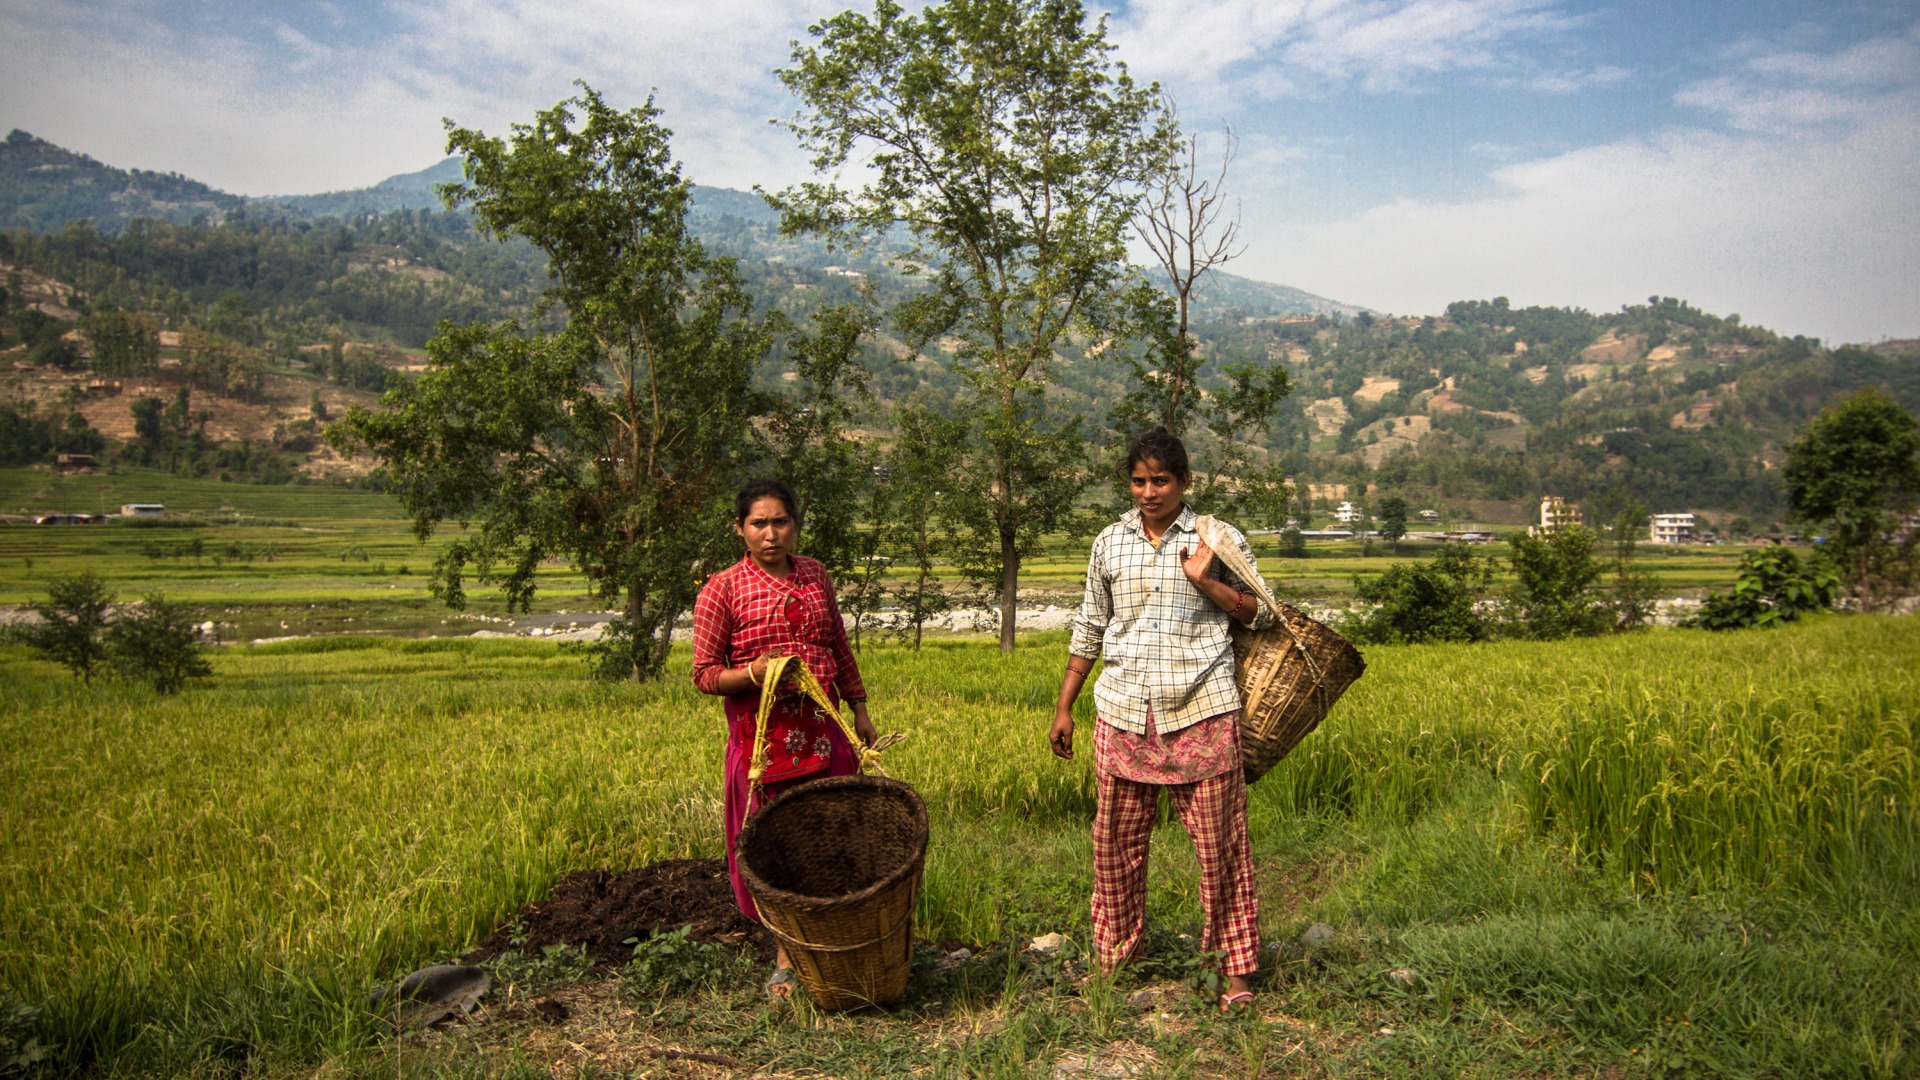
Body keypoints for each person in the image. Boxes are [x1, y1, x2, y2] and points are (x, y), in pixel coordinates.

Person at [1049, 428, 1273, 1013]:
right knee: (1114, 846)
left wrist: (1209, 583)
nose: (1149, 492)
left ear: (1184, 481)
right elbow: (1091, 625)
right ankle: (1114, 957)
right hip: (1123, 711)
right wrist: (1065, 705)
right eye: (1139, 481)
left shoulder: (1215, 540)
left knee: (1221, 847)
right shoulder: (1109, 542)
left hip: (1201, 709)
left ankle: (1234, 970)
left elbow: (1264, 615)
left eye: (1161, 480)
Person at [692, 478, 877, 997]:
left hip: (826, 731)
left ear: (795, 525)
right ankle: (787, 954)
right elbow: (705, 674)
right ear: (740, 529)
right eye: (758, 524)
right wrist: (755, 673)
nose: (770, 534)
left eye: (780, 522)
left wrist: (859, 708)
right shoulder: (722, 589)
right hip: (764, 743)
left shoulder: (815, 574)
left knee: (834, 838)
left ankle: (839, 946)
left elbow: (837, 642)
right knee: (780, 848)